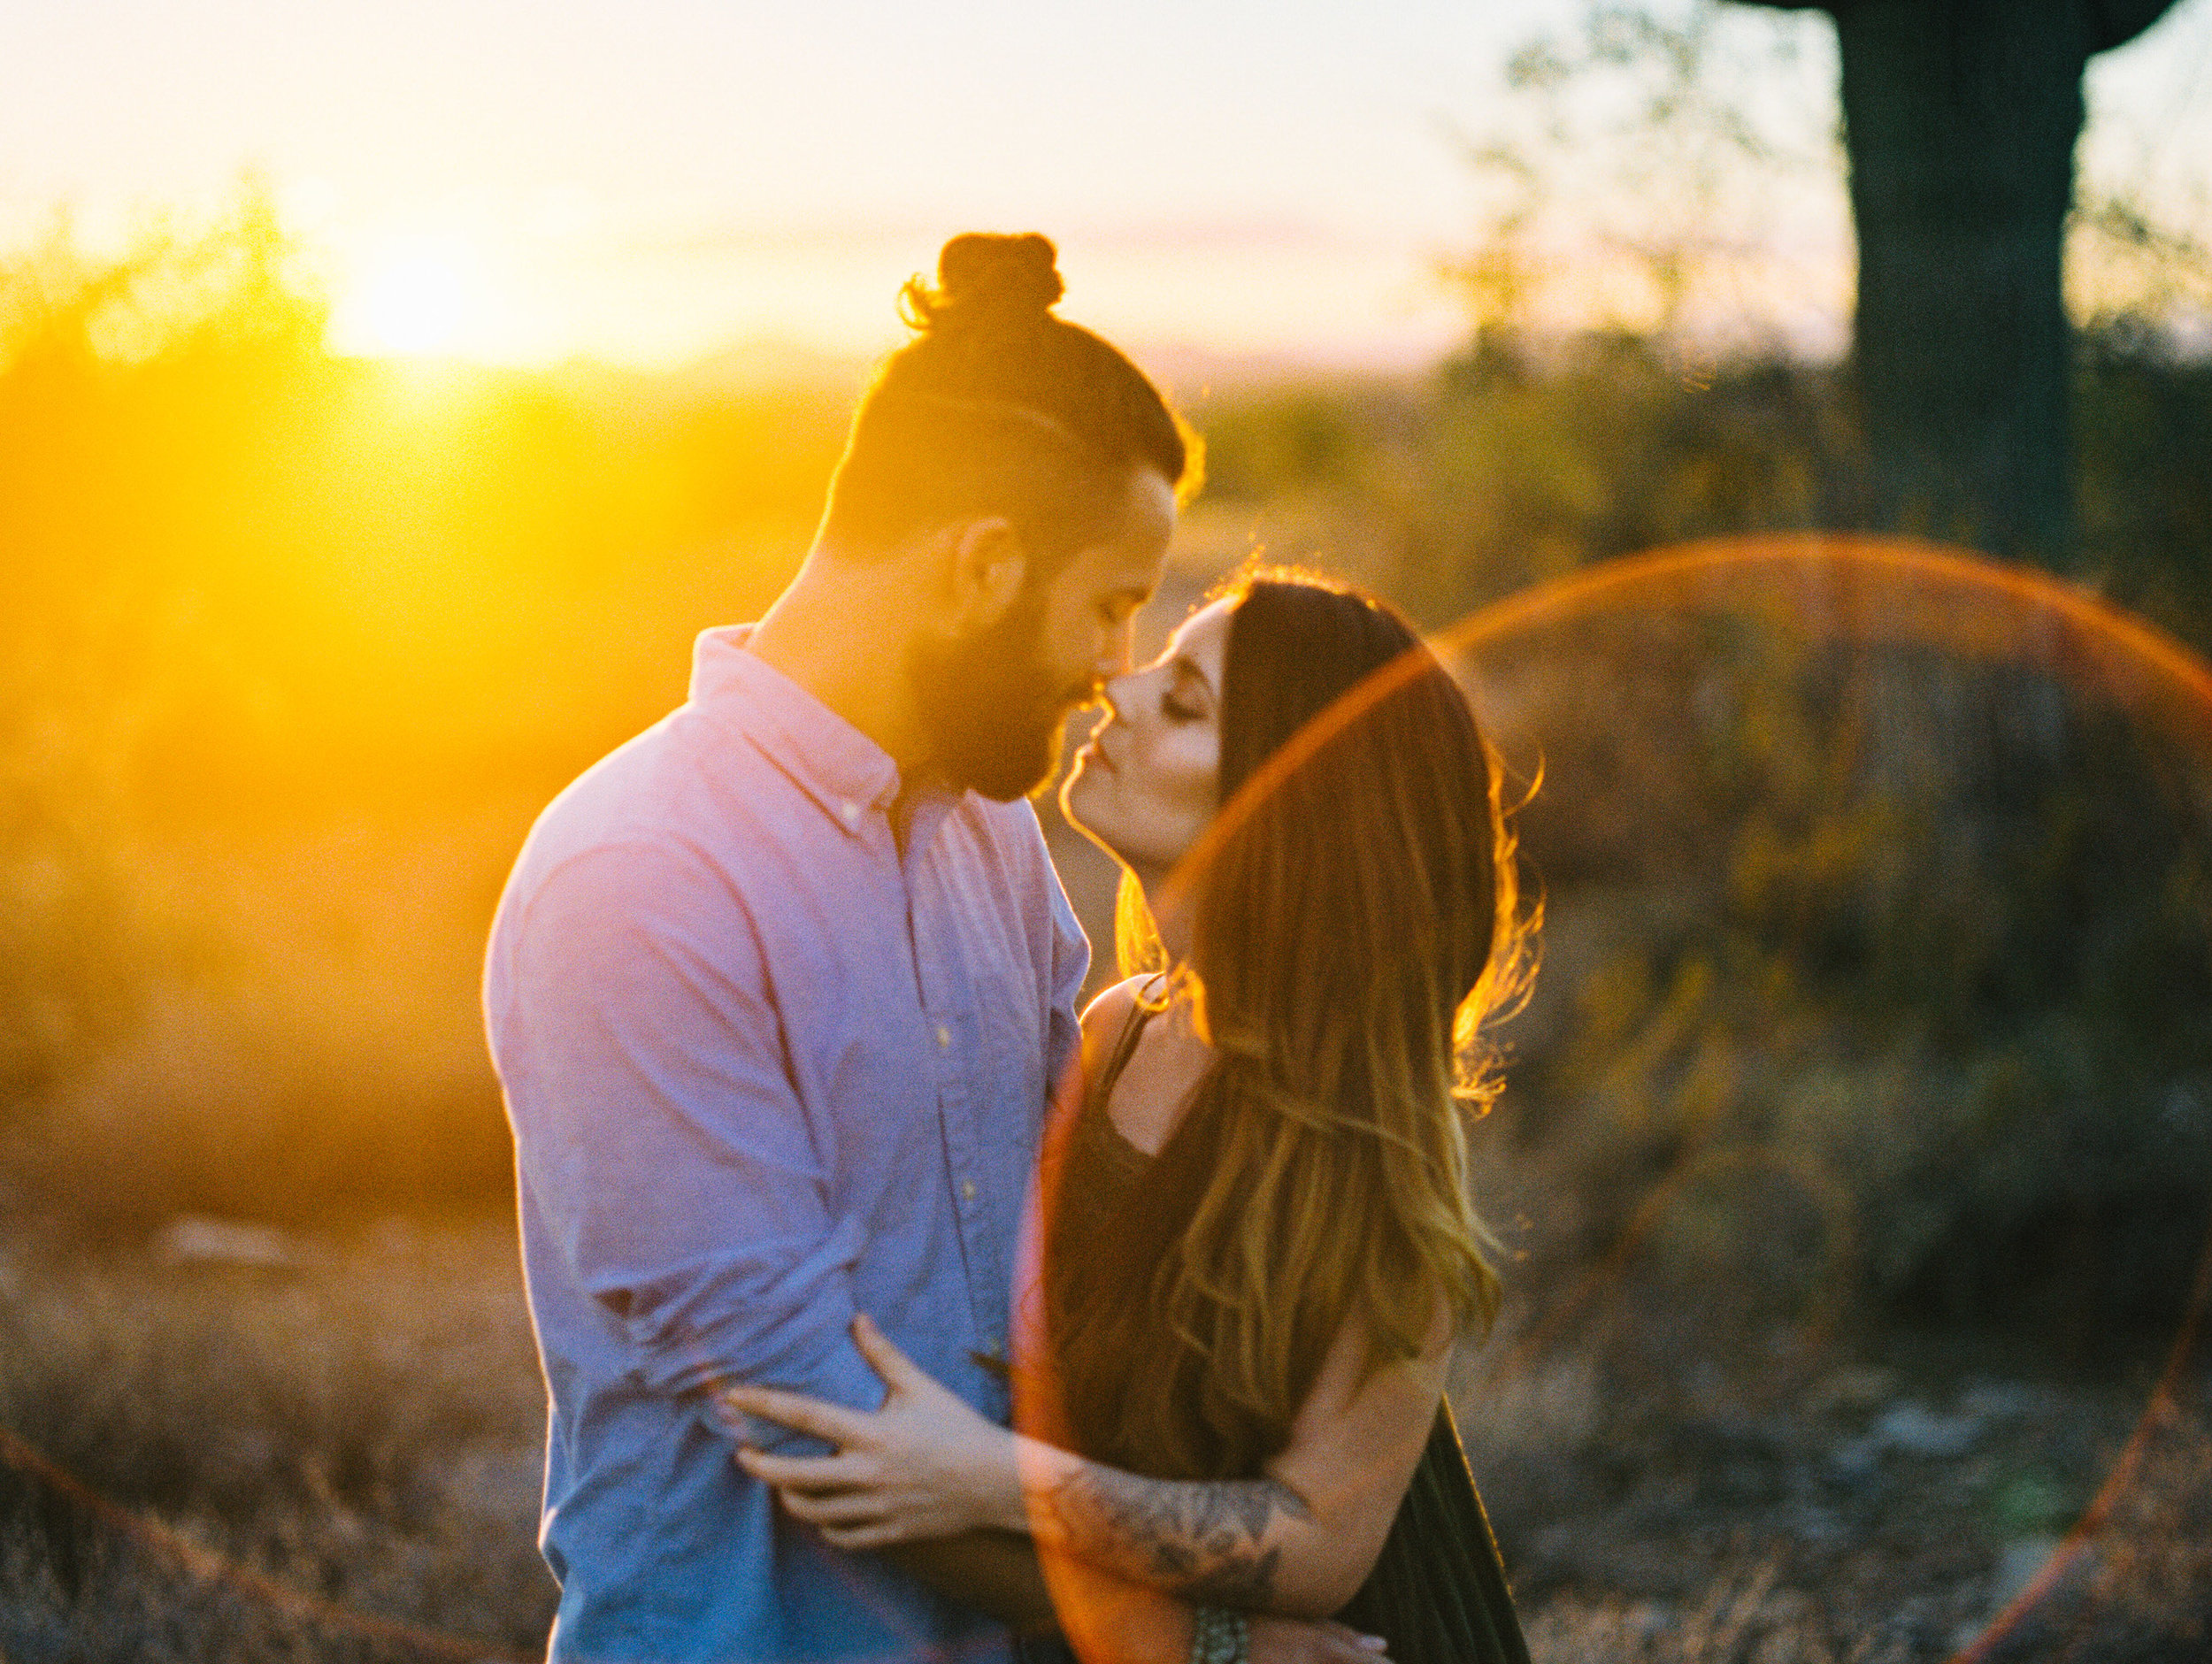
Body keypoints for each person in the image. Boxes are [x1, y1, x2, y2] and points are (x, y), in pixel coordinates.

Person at [485, 233, 1380, 1664]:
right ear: (981, 566)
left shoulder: (989, 836)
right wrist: (1205, 1642)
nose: (1114, 664)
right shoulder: (640, 876)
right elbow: (817, 1421)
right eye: (1108, 604)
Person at [727, 572, 1536, 1664]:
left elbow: (1322, 1541)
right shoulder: (1111, 1037)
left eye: (1186, 703)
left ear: (1284, 804)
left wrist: (988, 1479)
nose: (1120, 687)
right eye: (1155, 662)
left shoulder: (1374, 1148)